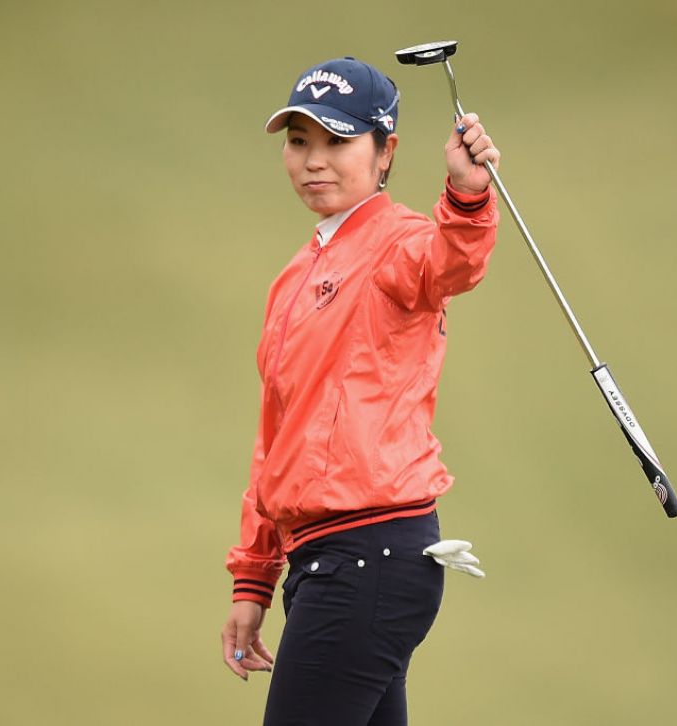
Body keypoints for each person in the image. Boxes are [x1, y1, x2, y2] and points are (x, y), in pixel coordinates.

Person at [220, 55, 501, 726]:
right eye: (299, 141)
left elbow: (452, 262)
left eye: (338, 141)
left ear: (385, 152)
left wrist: (467, 196)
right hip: (330, 560)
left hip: (368, 553)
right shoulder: (294, 277)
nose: (314, 160)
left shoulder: (399, 242)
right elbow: (276, 436)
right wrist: (254, 575)